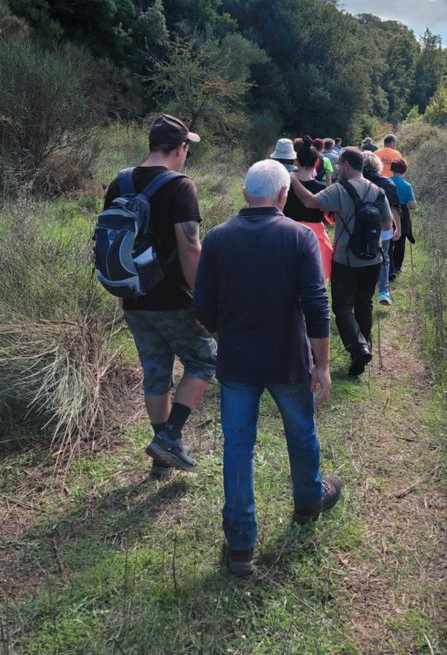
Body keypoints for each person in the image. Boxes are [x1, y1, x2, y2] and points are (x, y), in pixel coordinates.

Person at [194, 160, 342, 575]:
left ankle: (240, 545)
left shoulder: (218, 238)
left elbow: (203, 308)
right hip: (288, 359)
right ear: (283, 195)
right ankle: (309, 501)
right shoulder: (299, 237)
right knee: (300, 430)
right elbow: (316, 304)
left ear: (245, 194)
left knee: (238, 447)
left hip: (238, 363)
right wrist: (323, 364)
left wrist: (228, 337)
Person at [103, 114, 216, 480]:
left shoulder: (119, 183)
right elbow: (190, 249)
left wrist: (121, 290)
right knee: (203, 361)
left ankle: (160, 459)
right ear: (180, 148)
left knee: (155, 373)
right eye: (187, 148)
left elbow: (110, 242)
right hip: (174, 299)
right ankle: (169, 437)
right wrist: (204, 302)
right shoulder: (180, 186)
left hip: (133, 297)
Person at [290, 147, 392, 377]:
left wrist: (293, 179)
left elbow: (310, 202)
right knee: (365, 303)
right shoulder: (378, 191)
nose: (337, 169)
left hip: (346, 259)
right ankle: (363, 350)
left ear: (346, 165)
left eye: (339, 165)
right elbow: (387, 226)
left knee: (342, 306)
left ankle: (358, 347)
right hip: (373, 258)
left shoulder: (340, 189)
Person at [283, 136, 333, 279]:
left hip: (289, 236)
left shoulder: (286, 186)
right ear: (317, 162)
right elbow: (328, 214)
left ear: (296, 161)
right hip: (316, 240)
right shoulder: (322, 188)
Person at [362, 151, 401, 306]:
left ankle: (364, 289)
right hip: (384, 226)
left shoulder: (357, 181)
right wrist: (397, 227)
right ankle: (383, 291)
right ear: (377, 165)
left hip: (361, 226)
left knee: (361, 256)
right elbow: (394, 208)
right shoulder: (387, 183)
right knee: (383, 257)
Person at [389, 158, 417, 277]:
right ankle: (397, 267)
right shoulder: (407, 185)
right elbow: (412, 205)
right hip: (402, 213)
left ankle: (388, 266)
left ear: (391, 169)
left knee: (389, 241)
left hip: (388, 211)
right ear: (404, 170)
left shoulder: (386, 182)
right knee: (400, 242)